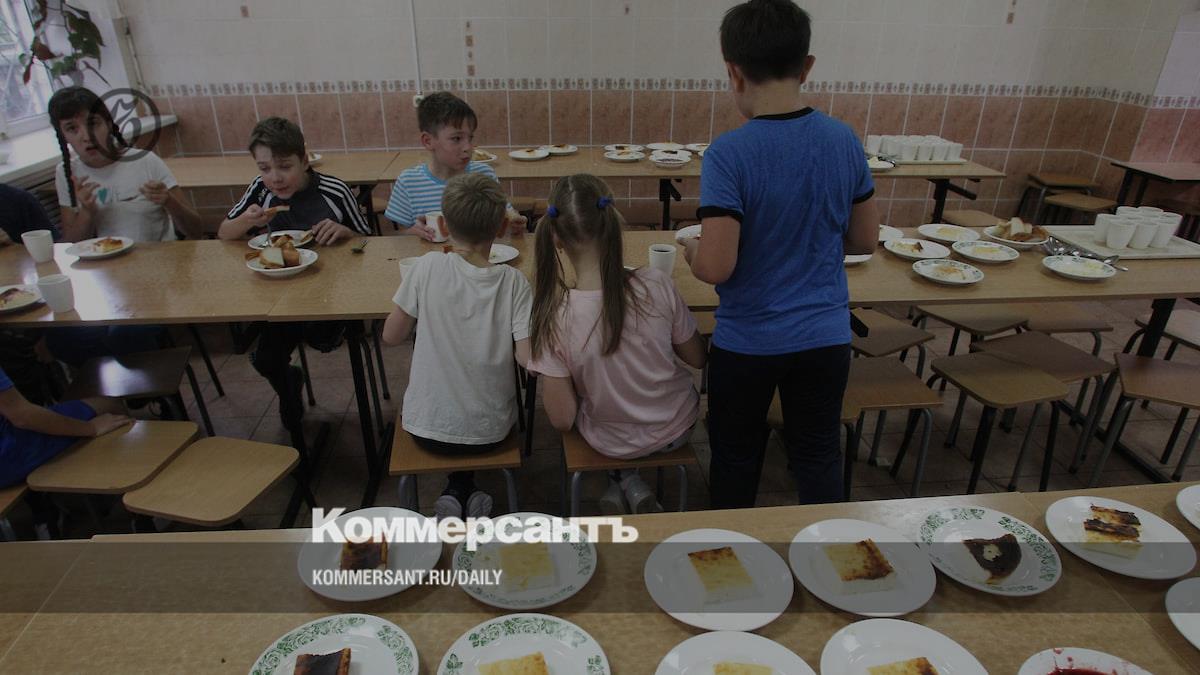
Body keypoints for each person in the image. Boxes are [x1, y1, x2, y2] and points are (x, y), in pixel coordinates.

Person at [682, 0, 878, 508]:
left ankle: (732, 551)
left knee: (735, 457)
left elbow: (717, 266)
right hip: (825, 337)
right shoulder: (844, 140)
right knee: (817, 455)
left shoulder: (729, 154)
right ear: (806, 66)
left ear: (733, 71)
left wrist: (691, 252)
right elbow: (864, 240)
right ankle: (833, 550)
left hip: (749, 342)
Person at [527, 174, 706, 514]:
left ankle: (622, 478)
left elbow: (562, 419)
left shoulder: (555, 316)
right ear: (611, 225)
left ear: (556, 238)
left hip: (609, 441)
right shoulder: (657, 283)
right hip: (676, 429)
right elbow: (697, 357)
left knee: (596, 405)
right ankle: (628, 482)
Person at [382, 173, 532, 519]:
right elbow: (527, 358)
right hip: (492, 432)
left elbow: (391, 336)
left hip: (426, 430)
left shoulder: (427, 266)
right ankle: (465, 489)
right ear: (501, 227)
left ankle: (457, 491)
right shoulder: (514, 282)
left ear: (444, 226)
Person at [220, 117, 373, 438]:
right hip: (282, 296)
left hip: (332, 295)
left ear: (304, 160)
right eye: (265, 168)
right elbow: (224, 232)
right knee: (265, 358)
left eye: (284, 166)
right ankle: (289, 387)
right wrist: (247, 221)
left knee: (323, 337)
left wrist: (345, 231)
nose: (275, 178)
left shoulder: (334, 190)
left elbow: (369, 239)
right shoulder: (260, 189)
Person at [49, 86, 203, 243]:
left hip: (160, 254)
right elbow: (71, 245)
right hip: (108, 257)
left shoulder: (145, 161)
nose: (87, 137)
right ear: (63, 136)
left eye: (93, 124)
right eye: (72, 128)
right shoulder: (67, 173)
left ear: (108, 124)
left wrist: (169, 201)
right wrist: (87, 212)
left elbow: (196, 230)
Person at [384, 91, 525, 239]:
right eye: (456, 139)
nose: (468, 147)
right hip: (431, 253)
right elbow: (397, 236)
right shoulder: (408, 182)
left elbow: (506, 215)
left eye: (470, 138)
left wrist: (514, 224)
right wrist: (413, 233)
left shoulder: (484, 175)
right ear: (428, 141)